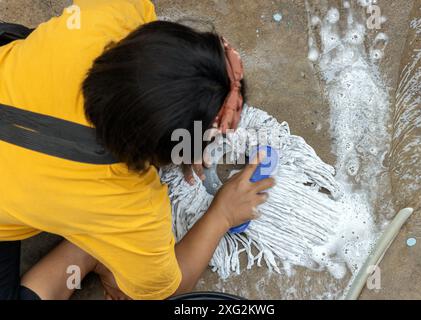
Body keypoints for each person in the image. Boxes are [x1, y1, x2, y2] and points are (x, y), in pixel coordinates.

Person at [0, 0, 274, 300]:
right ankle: (84, 252)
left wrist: (185, 126)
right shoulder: (128, 208)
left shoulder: (108, 15)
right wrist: (223, 213)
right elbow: (165, 287)